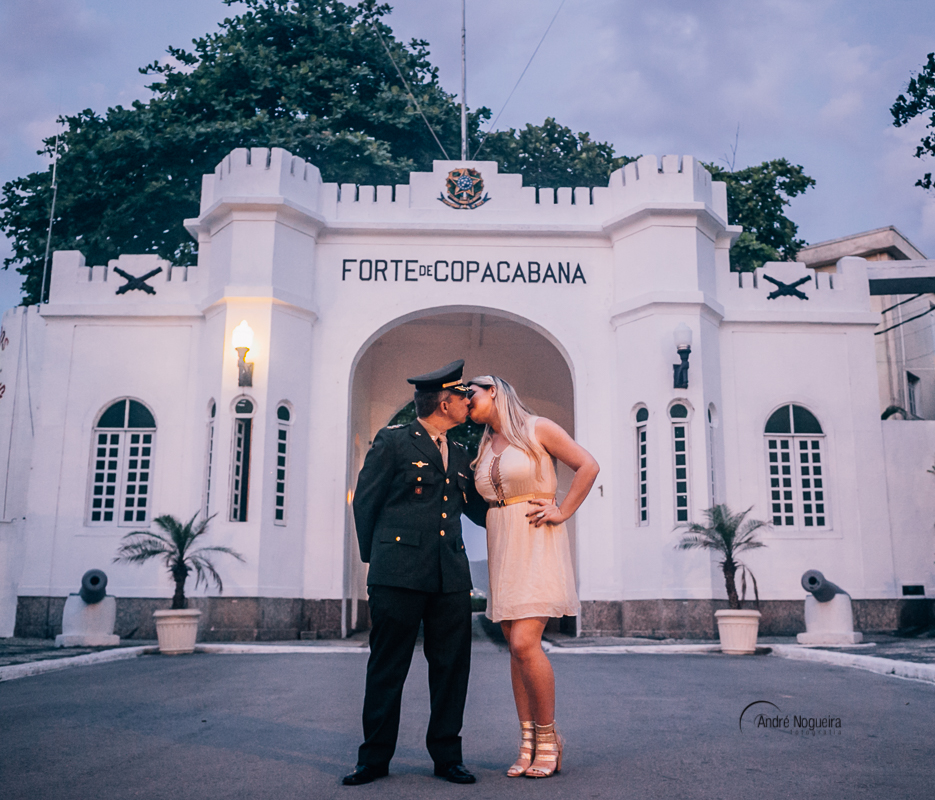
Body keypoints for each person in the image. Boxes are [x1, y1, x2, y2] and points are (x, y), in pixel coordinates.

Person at [343, 359, 489, 786]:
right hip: (397, 576)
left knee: (451, 670)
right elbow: (364, 503)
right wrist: (380, 560)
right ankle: (373, 759)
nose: (468, 402)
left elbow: (476, 511)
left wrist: (519, 509)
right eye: (462, 396)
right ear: (444, 402)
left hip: (449, 578)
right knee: (388, 668)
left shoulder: (461, 452)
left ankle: (447, 756)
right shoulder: (393, 442)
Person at [466, 375, 599, 779]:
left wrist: (563, 510)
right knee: (514, 645)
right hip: (503, 544)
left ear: (493, 390)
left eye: (469, 392)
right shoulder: (486, 443)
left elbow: (587, 466)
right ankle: (527, 742)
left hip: (537, 537)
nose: (463, 400)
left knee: (526, 642)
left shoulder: (537, 427)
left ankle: (549, 736)